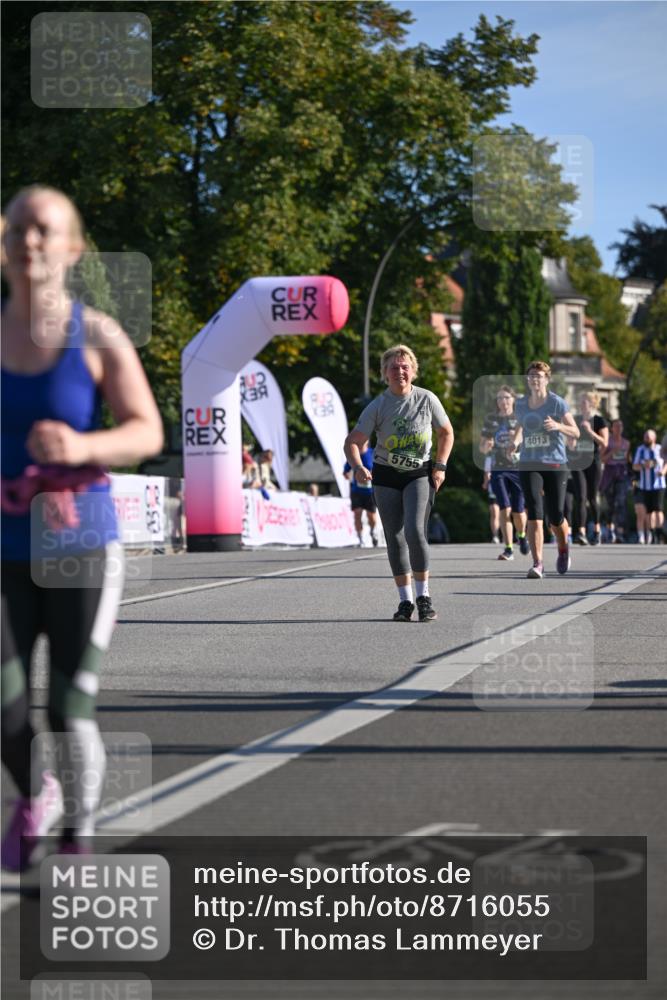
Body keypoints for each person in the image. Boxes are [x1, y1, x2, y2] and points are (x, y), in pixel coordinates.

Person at [1, 186, 163, 869]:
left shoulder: (97, 335)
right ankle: (35, 792)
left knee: (68, 706)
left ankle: (75, 835)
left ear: (72, 247)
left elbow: (146, 431)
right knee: (7, 708)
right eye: (17, 228)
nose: (29, 240)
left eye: (45, 229)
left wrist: (81, 446)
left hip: (80, 544)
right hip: (5, 545)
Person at [344, 344, 454, 622]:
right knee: (394, 537)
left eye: (405, 367)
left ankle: (424, 597)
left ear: (413, 371)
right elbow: (352, 442)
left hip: (418, 474)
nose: (400, 372)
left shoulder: (427, 399)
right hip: (386, 475)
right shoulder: (379, 405)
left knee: (415, 531)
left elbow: (446, 432)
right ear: (385, 373)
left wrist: (440, 466)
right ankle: (405, 601)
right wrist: (358, 467)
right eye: (394, 367)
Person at [510, 361, 579, 578]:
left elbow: (575, 432)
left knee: (556, 516)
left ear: (547, 380)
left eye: (539, 376)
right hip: (529, 463)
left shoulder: (556, 403)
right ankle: (538, 563)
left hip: (555, 464)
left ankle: (563, 548)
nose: (535, 379)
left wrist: (558, 426)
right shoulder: (521, 404)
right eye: (531, 375)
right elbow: (520, 426)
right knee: (534, 512)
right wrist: (515, 442)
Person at [480, 385, 529, 561]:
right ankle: (508, 548)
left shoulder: (520, 418)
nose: (503, 401)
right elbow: (482, 447)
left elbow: (528, 440)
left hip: (518, 469)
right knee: (504, 507)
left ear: (513, 399)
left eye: (507, 397)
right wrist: (487, 446)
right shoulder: (491, 420)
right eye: (500, 398)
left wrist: (517, 440)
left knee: (518, 510)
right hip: (498, 469)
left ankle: (521, 535)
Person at [569, 391, 608, 545]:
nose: (582, 403)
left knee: (592, 497)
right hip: (578, 462)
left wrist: (590, 431)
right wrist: (571, 442)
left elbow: (604, 442)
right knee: (580, 497)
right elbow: (570, 441)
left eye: (584, 401)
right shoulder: (575, 419)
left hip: (593, 462)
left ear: (592, 403)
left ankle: (597, 531)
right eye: (580, 400)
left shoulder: (599, 421)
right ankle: (581, 532)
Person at [600, 419, 631, 543]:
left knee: (620, 502)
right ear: (612, 428)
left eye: (620, 426)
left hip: (621, 474)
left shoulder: (626, 443)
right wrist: (612, 452)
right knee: (610, 505)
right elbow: (602, 459)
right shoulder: (607, 441)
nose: (619, 428)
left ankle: (620, 532)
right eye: (616, 426)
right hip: (609, 474)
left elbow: (627, 459)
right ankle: (610, 530)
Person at [632, 429, 665, 544]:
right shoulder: (640, 450)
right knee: (649, 512)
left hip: (659, 484)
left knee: (658, 509)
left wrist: (663, 471)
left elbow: (666, 462)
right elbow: (634, 466)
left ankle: (660, 531)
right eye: (645, 437)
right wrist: (643, 465)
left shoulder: (660, 449)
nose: (646, 439)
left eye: (649, 437)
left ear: (654, 438)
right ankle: (652, 533)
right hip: (645, 486)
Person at [343, 445, 379, 547]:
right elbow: (346, 471)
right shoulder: (354, 454)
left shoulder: (372, 452)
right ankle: (360, 538)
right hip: (357, 491)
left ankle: (373, 531)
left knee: (371, 516)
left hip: (370, 491)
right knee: (357, 513)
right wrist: (347, 474)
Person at [482, 455, 502, 543]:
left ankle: (501, 535)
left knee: (501, 513)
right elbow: (487, 473)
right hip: (495, 489)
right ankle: (496, 535)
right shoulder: (489, 458)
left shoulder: (490, 458)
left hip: (504, 488)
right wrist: (486, 483)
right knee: (495, 513)